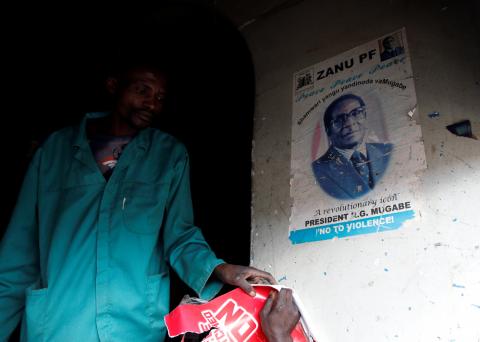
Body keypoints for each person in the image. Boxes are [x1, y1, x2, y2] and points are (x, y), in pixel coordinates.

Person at [0, 61, 275, 341]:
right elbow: (17, 257)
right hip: (60, 323)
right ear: (113, 86)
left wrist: (220, 268)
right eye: (142, 90)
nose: (151, 104)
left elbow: (179, 235)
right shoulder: (53, 153)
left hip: (133, 325)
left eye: (159, 97)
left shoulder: (168, 155)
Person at [312, 93, 393, 199]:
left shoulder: (388, 150)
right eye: (339, 120)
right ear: (328, 132)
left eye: (355, 113)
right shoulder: (318, 169)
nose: (350, 123)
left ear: (365, 117)